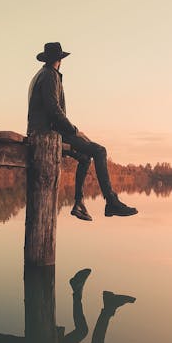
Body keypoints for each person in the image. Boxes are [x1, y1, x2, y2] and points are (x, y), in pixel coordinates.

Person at [27, 42, 138, 220]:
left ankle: (79, 203)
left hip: (42, 131)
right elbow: (54, 110)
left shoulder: (41, 74)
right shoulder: (50, 75)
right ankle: (111, 202)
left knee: (85, 157)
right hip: (47, 134)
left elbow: (51, 110)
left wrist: (74, 132)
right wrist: (75, 131)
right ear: (60, 60)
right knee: (99, 151)